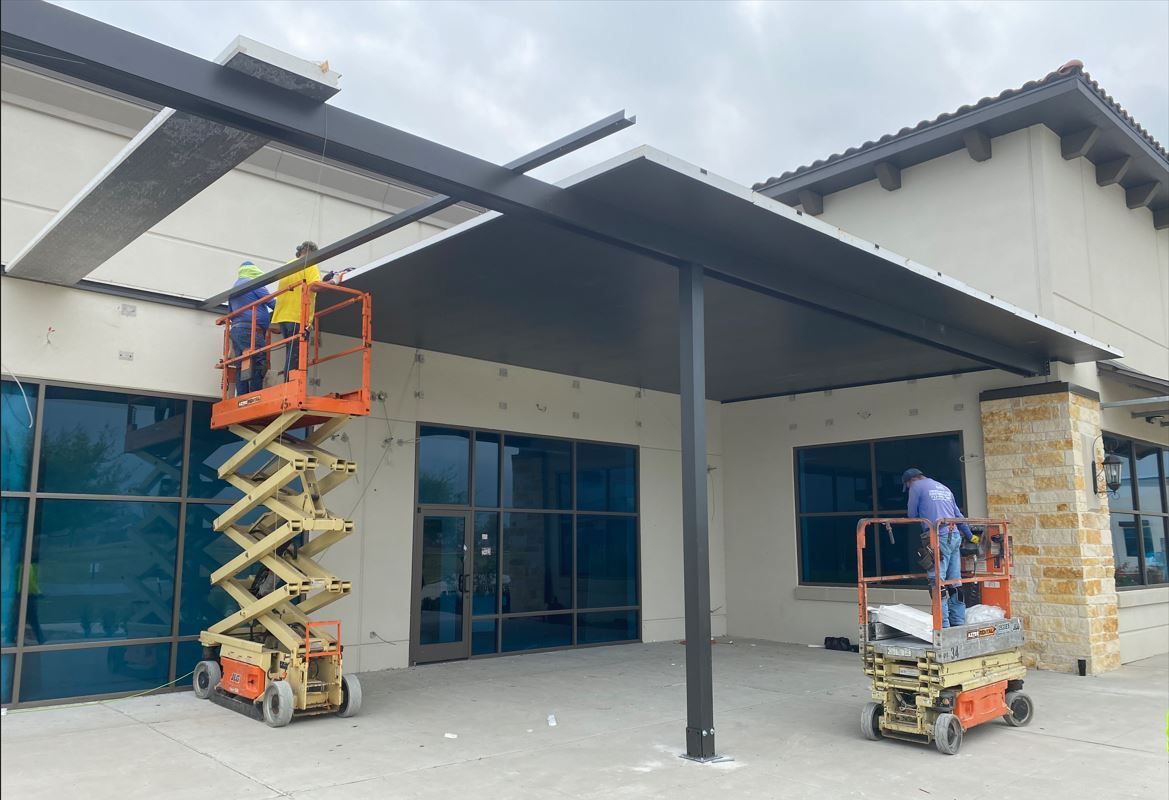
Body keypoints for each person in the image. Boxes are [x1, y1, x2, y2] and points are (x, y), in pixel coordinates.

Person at [903, 468, 975, 628]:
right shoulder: (944, 488)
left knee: (937, 583)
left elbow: (911, 514)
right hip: (955, 536)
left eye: (907, 486)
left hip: (937, 538)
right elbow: (958, 516)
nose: (908, 489)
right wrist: (970, 536)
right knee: (955, 582)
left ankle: (942, 625)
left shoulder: (916, 486)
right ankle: (958, 622)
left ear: (910, 481)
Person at [272, 240, 321, 379]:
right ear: (312, 253)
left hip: (283, 316)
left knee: (291, 351)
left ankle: (289, 382)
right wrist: (333, 282)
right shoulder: (309, 264)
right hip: (297, 316)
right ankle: (291, 384)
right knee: (296, 354)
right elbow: (315, 286)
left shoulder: (288, 266)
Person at [228, 261, 275, 395]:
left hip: (237, 330)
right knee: (258, 362)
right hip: (251, 330)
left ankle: (242, 396)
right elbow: (271, 302)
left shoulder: (233, 290)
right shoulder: (254, 284)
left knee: (240, 364)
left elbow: (230, 314)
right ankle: (255, 395)